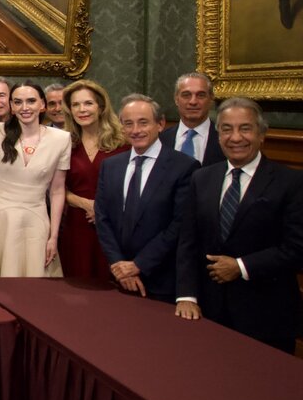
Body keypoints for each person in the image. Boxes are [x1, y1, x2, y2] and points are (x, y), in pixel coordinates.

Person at [175, 98, 303, 353]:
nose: (235, 138)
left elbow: (297, 248)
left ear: (261, 134)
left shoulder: (291, 182)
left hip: (267, 315)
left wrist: (241, 266)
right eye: (227, 129)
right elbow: (188, 241)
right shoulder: (202, 178)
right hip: (209, 312)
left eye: (245, 128)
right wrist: (187, 296)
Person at [0, 82, 71, 279]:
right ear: (11, 106)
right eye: (18, 102)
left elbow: (57, 191)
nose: (24, 107)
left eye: (31, 101)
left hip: (36, 223)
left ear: (42, 104)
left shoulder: (61, 139)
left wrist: (53, 237)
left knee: (33, 288)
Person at [94, 94, 198, 303]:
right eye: (128, 123)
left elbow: (179, 224)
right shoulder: (110, 166)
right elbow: (102, 217)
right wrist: (119, 265)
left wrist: (138, 265)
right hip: (117, 277)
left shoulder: (184, 167)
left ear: (160, 124)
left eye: (143, 123)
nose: (135, 130)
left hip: (160, 279)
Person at [58, 79, 129, 280]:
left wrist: (102, 209)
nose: (82, 110)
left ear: (101, 106)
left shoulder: (123, 143)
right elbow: (54, 187)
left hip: (113, 224)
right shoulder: (63, 143)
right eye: (76, 105)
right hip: (75, 225)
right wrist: (85, 203)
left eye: (88, 103)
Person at [159, 72, 223, 166]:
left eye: (200, 95)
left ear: (211, 99)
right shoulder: (160, 140)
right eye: (186, 95)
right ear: (176, 99)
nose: (193, 102)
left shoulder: (224, 138)